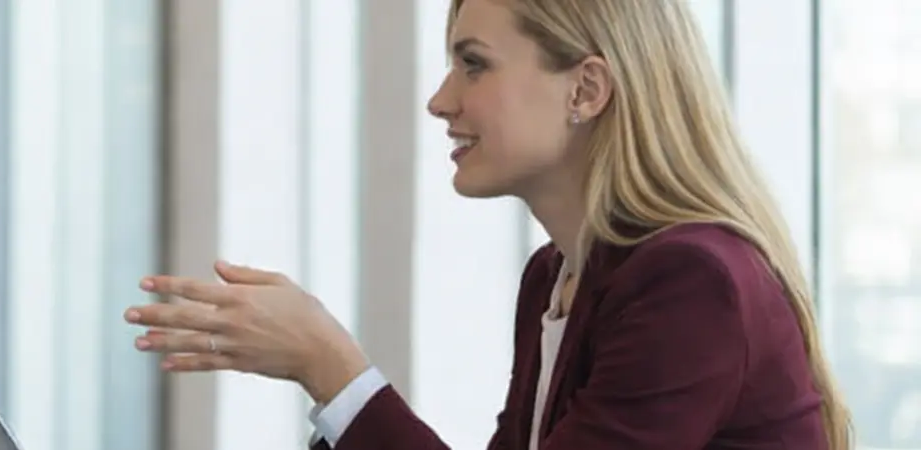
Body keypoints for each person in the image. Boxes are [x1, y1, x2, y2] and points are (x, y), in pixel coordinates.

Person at [123, 0, 852, 449]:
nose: (441, 100)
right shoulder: (557, 278)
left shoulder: (690, 284)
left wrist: (332, 369)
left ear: (586, 89)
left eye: (474, 65)